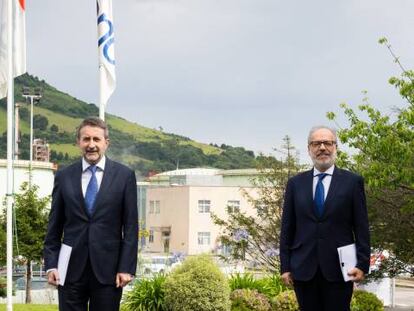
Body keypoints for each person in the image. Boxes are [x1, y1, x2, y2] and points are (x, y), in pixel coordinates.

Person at [43, 117, 138, 311]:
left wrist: (126, 267)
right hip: (68, 270)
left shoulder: (125, 176)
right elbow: (54, 225)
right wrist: (51, 264)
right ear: (78, 142)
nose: (91, 145)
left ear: (106, 143)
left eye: (96, 139)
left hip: (108, 271)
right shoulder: (64, 176)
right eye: (86, 139)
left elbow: (130, 227)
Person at [279, 126, 370, 311]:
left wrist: (362, 264)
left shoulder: (352, 182)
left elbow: (361, 227)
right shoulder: (295, 184)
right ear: (309, 149)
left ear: (335, 147)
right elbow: (287, 227)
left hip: (340, 269)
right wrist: (285, 266)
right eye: (316, 143)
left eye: (327, 143)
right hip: (303, 269)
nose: (322, 147)